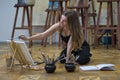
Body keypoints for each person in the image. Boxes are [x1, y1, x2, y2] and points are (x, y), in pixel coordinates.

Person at [19, 10, 92, 65]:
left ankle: (85, 54)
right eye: (61, 19)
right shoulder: (59, 26)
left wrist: (68, 63)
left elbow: (70, 44)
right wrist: (28, 38)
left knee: (80, 61)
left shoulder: (74, 29)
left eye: (64, 21)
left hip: (82, 47)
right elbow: (43, 35)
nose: (61, 22)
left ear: (70, 22)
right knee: (61, 59)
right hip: (72, 49)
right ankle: (75, 55)